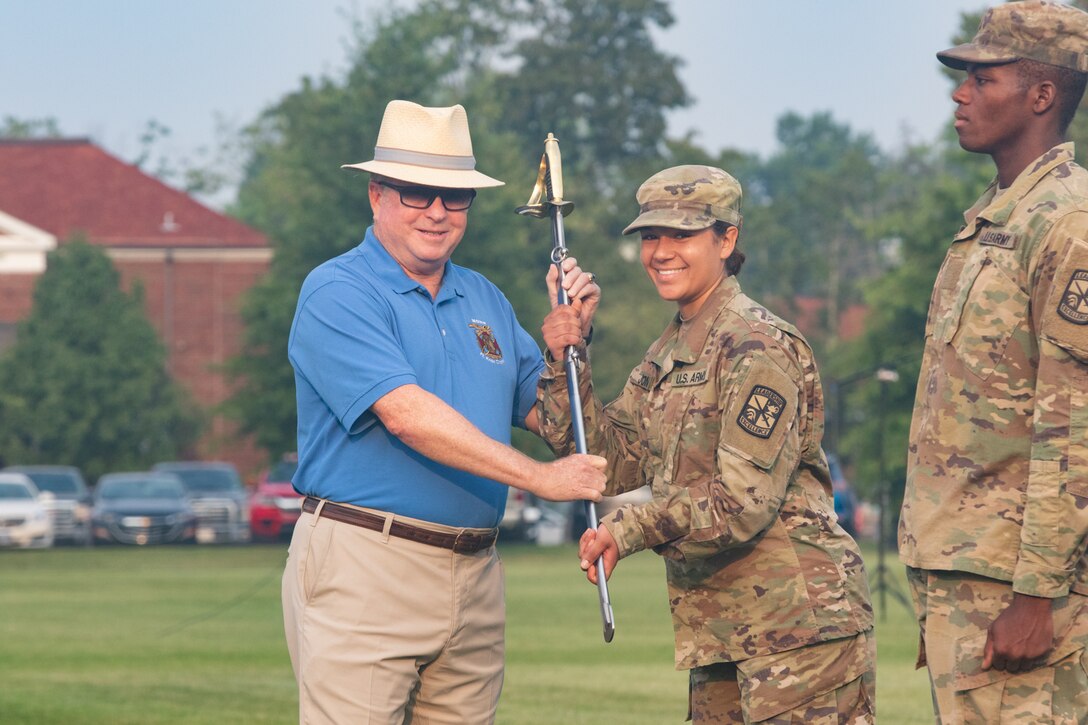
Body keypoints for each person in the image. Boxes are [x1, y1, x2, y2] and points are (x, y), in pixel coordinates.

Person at [281, 99, 607, 724]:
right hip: (366, 562)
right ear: (376, 194)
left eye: (454, 196)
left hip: (476, 574)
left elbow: (554, 424)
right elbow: (407, 415)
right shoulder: (337, 290)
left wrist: (572, 348)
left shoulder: (482, 295)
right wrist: (540, 481)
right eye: (415, 192)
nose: (436, 211)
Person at [538, 165, 875, 723]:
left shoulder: (756, 345)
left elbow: (740, 504)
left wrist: (627, 529)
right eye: (651, 235)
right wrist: (569, 355)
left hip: (799, 632)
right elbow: (605, 461)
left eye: (683, 235)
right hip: (725, 632)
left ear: (727, 239)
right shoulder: (669, 351)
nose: (662, 251)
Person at [899, 2, 1088, 721]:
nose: (960, 93)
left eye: (984, 78)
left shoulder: (1067, 225)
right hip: (968, 572)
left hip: (1017, 585)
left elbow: (1072, 427)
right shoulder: (997, 216)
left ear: (1041, 95)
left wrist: (1036, 595)